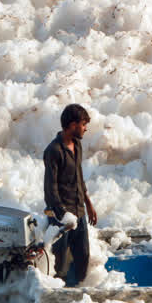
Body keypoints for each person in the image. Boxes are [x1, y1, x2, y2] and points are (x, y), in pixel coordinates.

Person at [43, 103, 98, 286]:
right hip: (61, 217)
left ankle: (77, 295)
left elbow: (79, 177)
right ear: (73, 125)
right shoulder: (53, 151)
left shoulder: (77, 145)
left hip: (79, 211)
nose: (85, 128)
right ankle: (58, 301)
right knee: (59, 265)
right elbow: (50, 190)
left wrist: (88, 204)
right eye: (83, 124)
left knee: (83, 258)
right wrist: (63, 215)